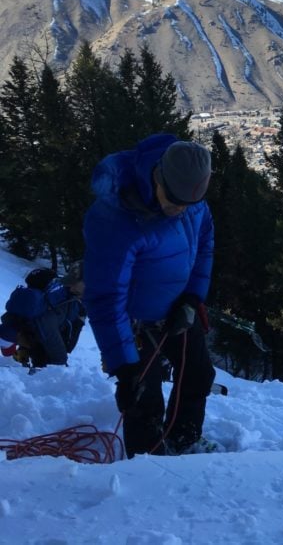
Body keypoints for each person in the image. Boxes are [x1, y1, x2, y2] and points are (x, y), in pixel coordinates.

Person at [83, 134, 216, 458]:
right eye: (173, 202)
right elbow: (105, 298)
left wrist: (191, 298)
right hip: (133, 323)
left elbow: (204, 244)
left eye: (187, 204)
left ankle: (183, 439)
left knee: (199, 375)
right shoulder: (116, 218)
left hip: (176, 310)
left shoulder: (190, 200)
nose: (179, 210)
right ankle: (147, 469)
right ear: (157, 177)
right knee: (144, 398)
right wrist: (124, 367)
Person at [0, 262, 86, 368]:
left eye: (16, 343)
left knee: (65, 346)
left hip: (75, 312)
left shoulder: (44, 324)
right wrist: (25, 349)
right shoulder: (9, 317)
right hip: (46, 316)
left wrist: (39, 363)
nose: (18, 345)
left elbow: (60, 361)